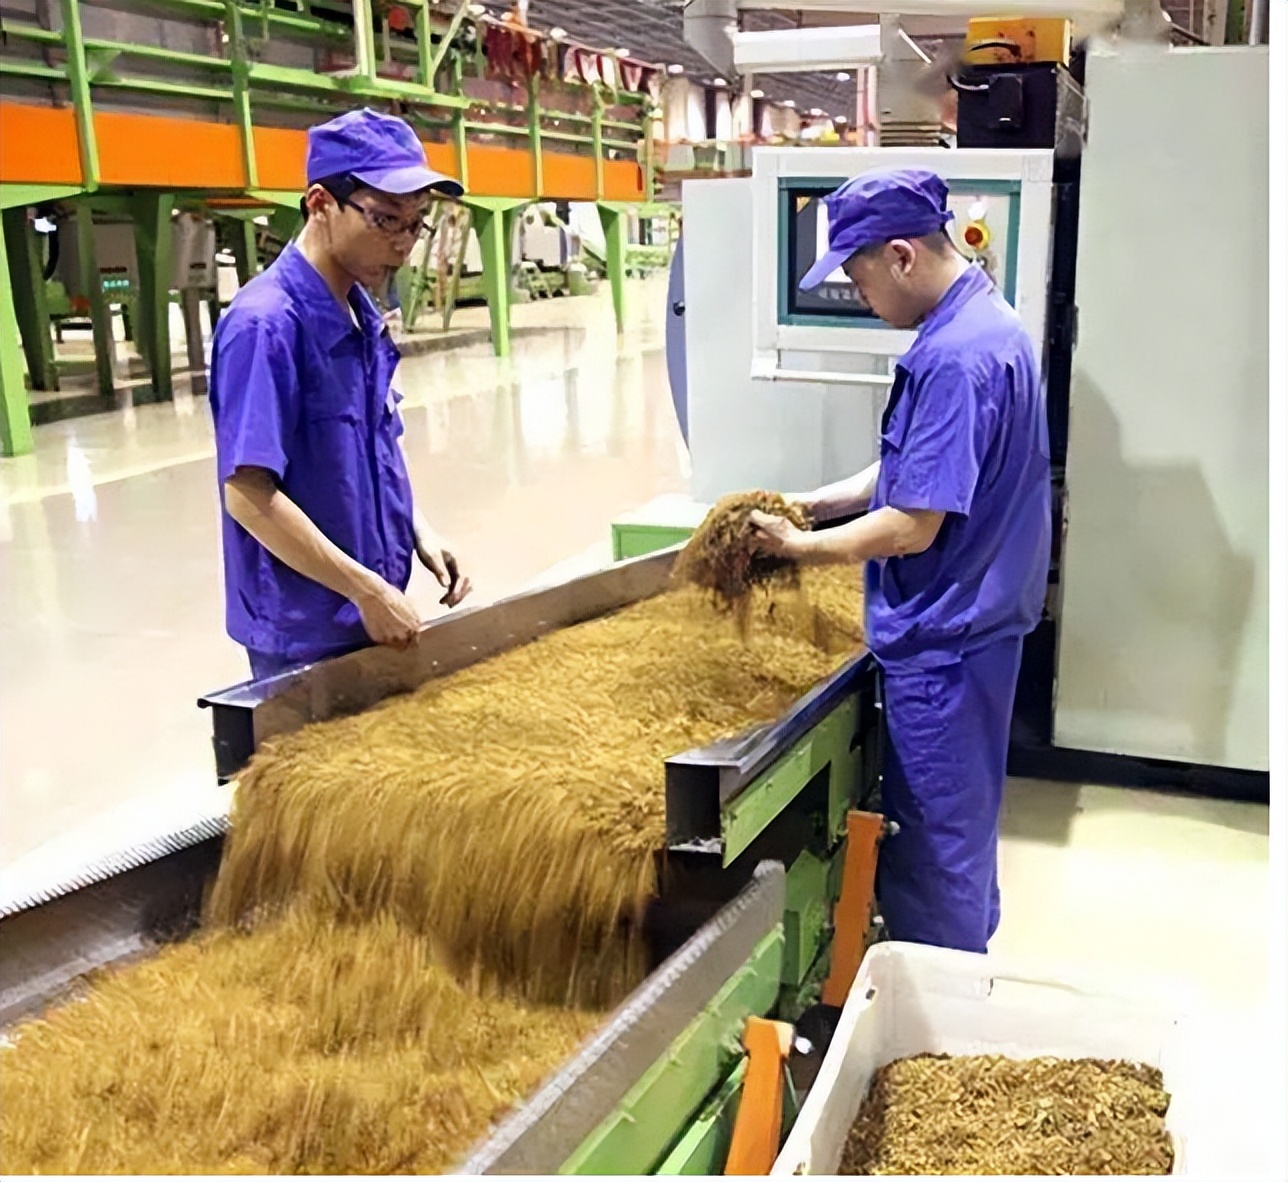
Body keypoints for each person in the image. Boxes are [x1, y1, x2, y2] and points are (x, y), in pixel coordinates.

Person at [750, 169, 1051, 953]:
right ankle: (963, 956)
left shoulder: (952, 359)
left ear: (902, 256)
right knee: (966, 817)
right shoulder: (989, 324)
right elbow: (918, 467)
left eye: (858, 276)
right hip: (983, 625)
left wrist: (798, 549)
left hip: (945, 640)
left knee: (936, 837)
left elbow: (914, 523)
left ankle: (939, 1004)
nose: (860, 295)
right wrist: (817, 503)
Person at [209, 108, 473, 682]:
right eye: (385, 221)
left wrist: (417, 531)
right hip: (306, 634)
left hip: (369, 614)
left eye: (415, 224)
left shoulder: (360, 316)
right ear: (321, 204)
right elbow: (250, 497)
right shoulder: (267, 326)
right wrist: (366, 591)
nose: (403, 244)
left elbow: (364, 458)